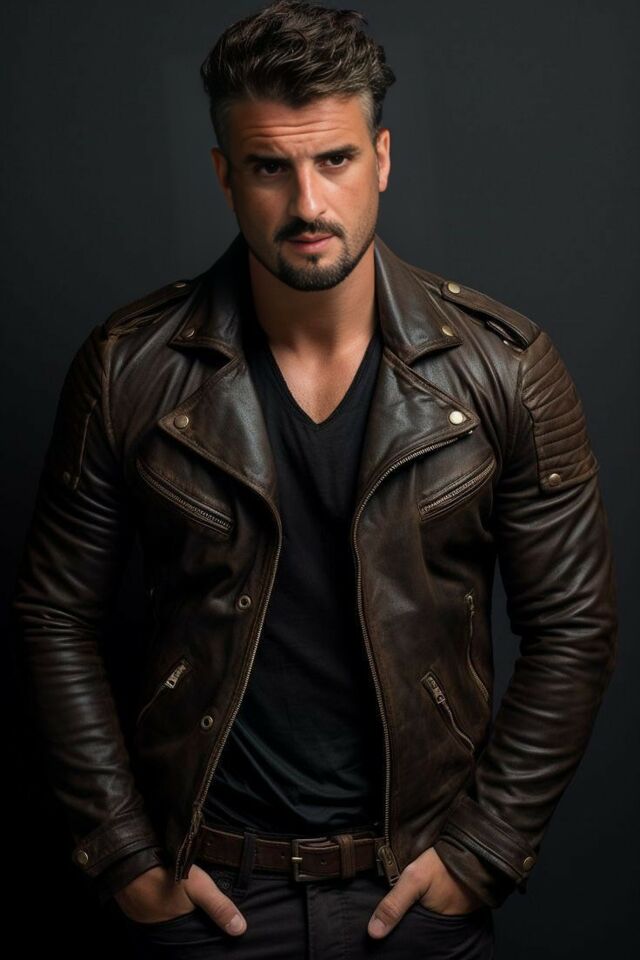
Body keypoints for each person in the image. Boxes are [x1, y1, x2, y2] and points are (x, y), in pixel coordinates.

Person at [11, 1, 618, 957]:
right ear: (225, 175)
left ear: (382, 158)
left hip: (414, 896)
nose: (307, 204)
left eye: (334, 159)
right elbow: (53, 614)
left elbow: (575, 625)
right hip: (205, 895)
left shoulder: (504, 369)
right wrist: (123, 854)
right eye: (269, 167)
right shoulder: (130, 367)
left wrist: (484, 850)